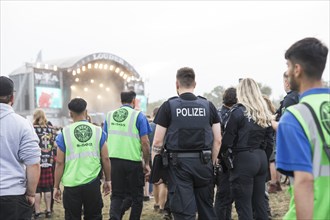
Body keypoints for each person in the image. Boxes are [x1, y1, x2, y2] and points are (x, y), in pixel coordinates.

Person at [152, 67, 221, 220]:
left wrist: (156, 167)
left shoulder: (168, 106)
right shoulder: (208, 106)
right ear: (194, 84)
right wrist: (212, 161)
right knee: (206, 209)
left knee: (184, 213)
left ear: (177, 84)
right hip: (204, 164)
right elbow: (218, 140)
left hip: (179, 166)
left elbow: (157, 140)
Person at [276, 37, 330, 219]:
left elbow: (304, 181)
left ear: (297, 69)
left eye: (288, 66)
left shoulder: (294, 117)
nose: (288, 72)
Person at [221, 78, 274, 220]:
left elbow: (227, 141)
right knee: (260, 203)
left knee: (244, 205)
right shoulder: (263, 112)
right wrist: (264, 157)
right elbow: (269, 141)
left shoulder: (238, 112)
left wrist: (224, 160)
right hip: (261, 158)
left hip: (243, 159)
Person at [53, 98, 111, 219]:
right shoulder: (98, 131)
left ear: (70, 113)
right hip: (92, 182)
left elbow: (59, 163)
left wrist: (56, 187)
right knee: (94, 216)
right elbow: (105, 158)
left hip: (71, 184)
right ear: (86, 111)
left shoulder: (64, 133)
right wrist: (108, 180)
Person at [103, 90, 151, 220]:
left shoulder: (109, 115)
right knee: (137, 198)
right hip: (132, 161)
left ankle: (115, 217)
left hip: (114, 161)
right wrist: (146, 163)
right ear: (134, 101)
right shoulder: (138, 116)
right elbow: (145, 142)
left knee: (117, 195)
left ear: (121, 101)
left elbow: (105, 139)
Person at [0, 76, 41, 220]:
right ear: (12, 97)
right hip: (13, 196)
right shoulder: (22, 124)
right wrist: (31, 193)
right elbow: (33, 163)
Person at [269, 72, 300, 192]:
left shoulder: (290, 99)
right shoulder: (299, 96)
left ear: (287, 82)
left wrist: (270, 122)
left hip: (292, 146)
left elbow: (285, 125)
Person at [214, 87, 237, 220]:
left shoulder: (216, 113)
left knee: (224, 196)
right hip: (227, 158)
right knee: (224, 196)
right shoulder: (235, 114)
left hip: (219, 158)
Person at [33, 109, 55, 218]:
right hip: (48, 161)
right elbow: (53, 143)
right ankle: (49, 210)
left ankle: (37, 212)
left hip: (37, 161)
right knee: (47, 188)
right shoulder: (50, 128)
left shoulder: (33, 128)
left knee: (37, 189)